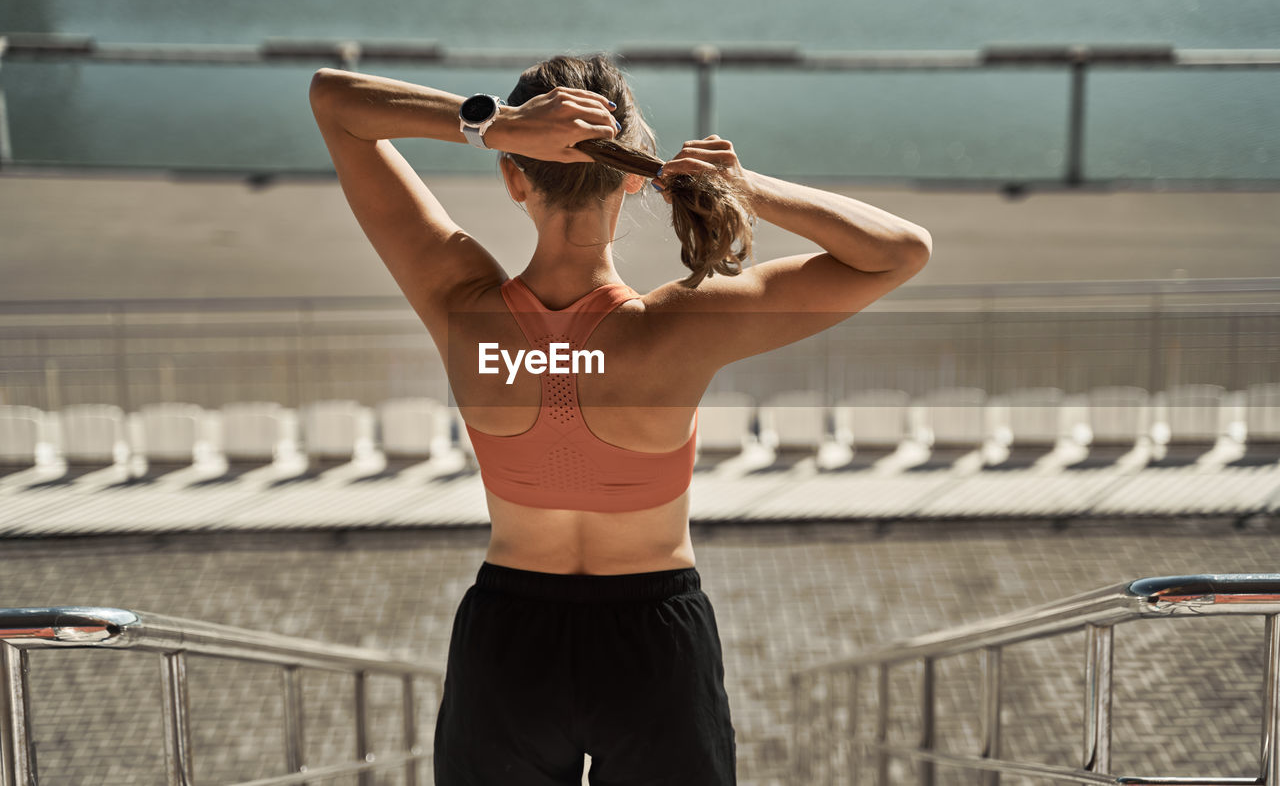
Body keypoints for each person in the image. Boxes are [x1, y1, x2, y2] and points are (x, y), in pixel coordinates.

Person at [309, 53, 931, 786]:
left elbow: (336, 102)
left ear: (514, 177)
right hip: (654, 648)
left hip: (509, 641)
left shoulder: (459, 303)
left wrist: (495, 125)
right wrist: (747, 188)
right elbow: (897, 253)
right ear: (634, 174)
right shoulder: (685, 325)